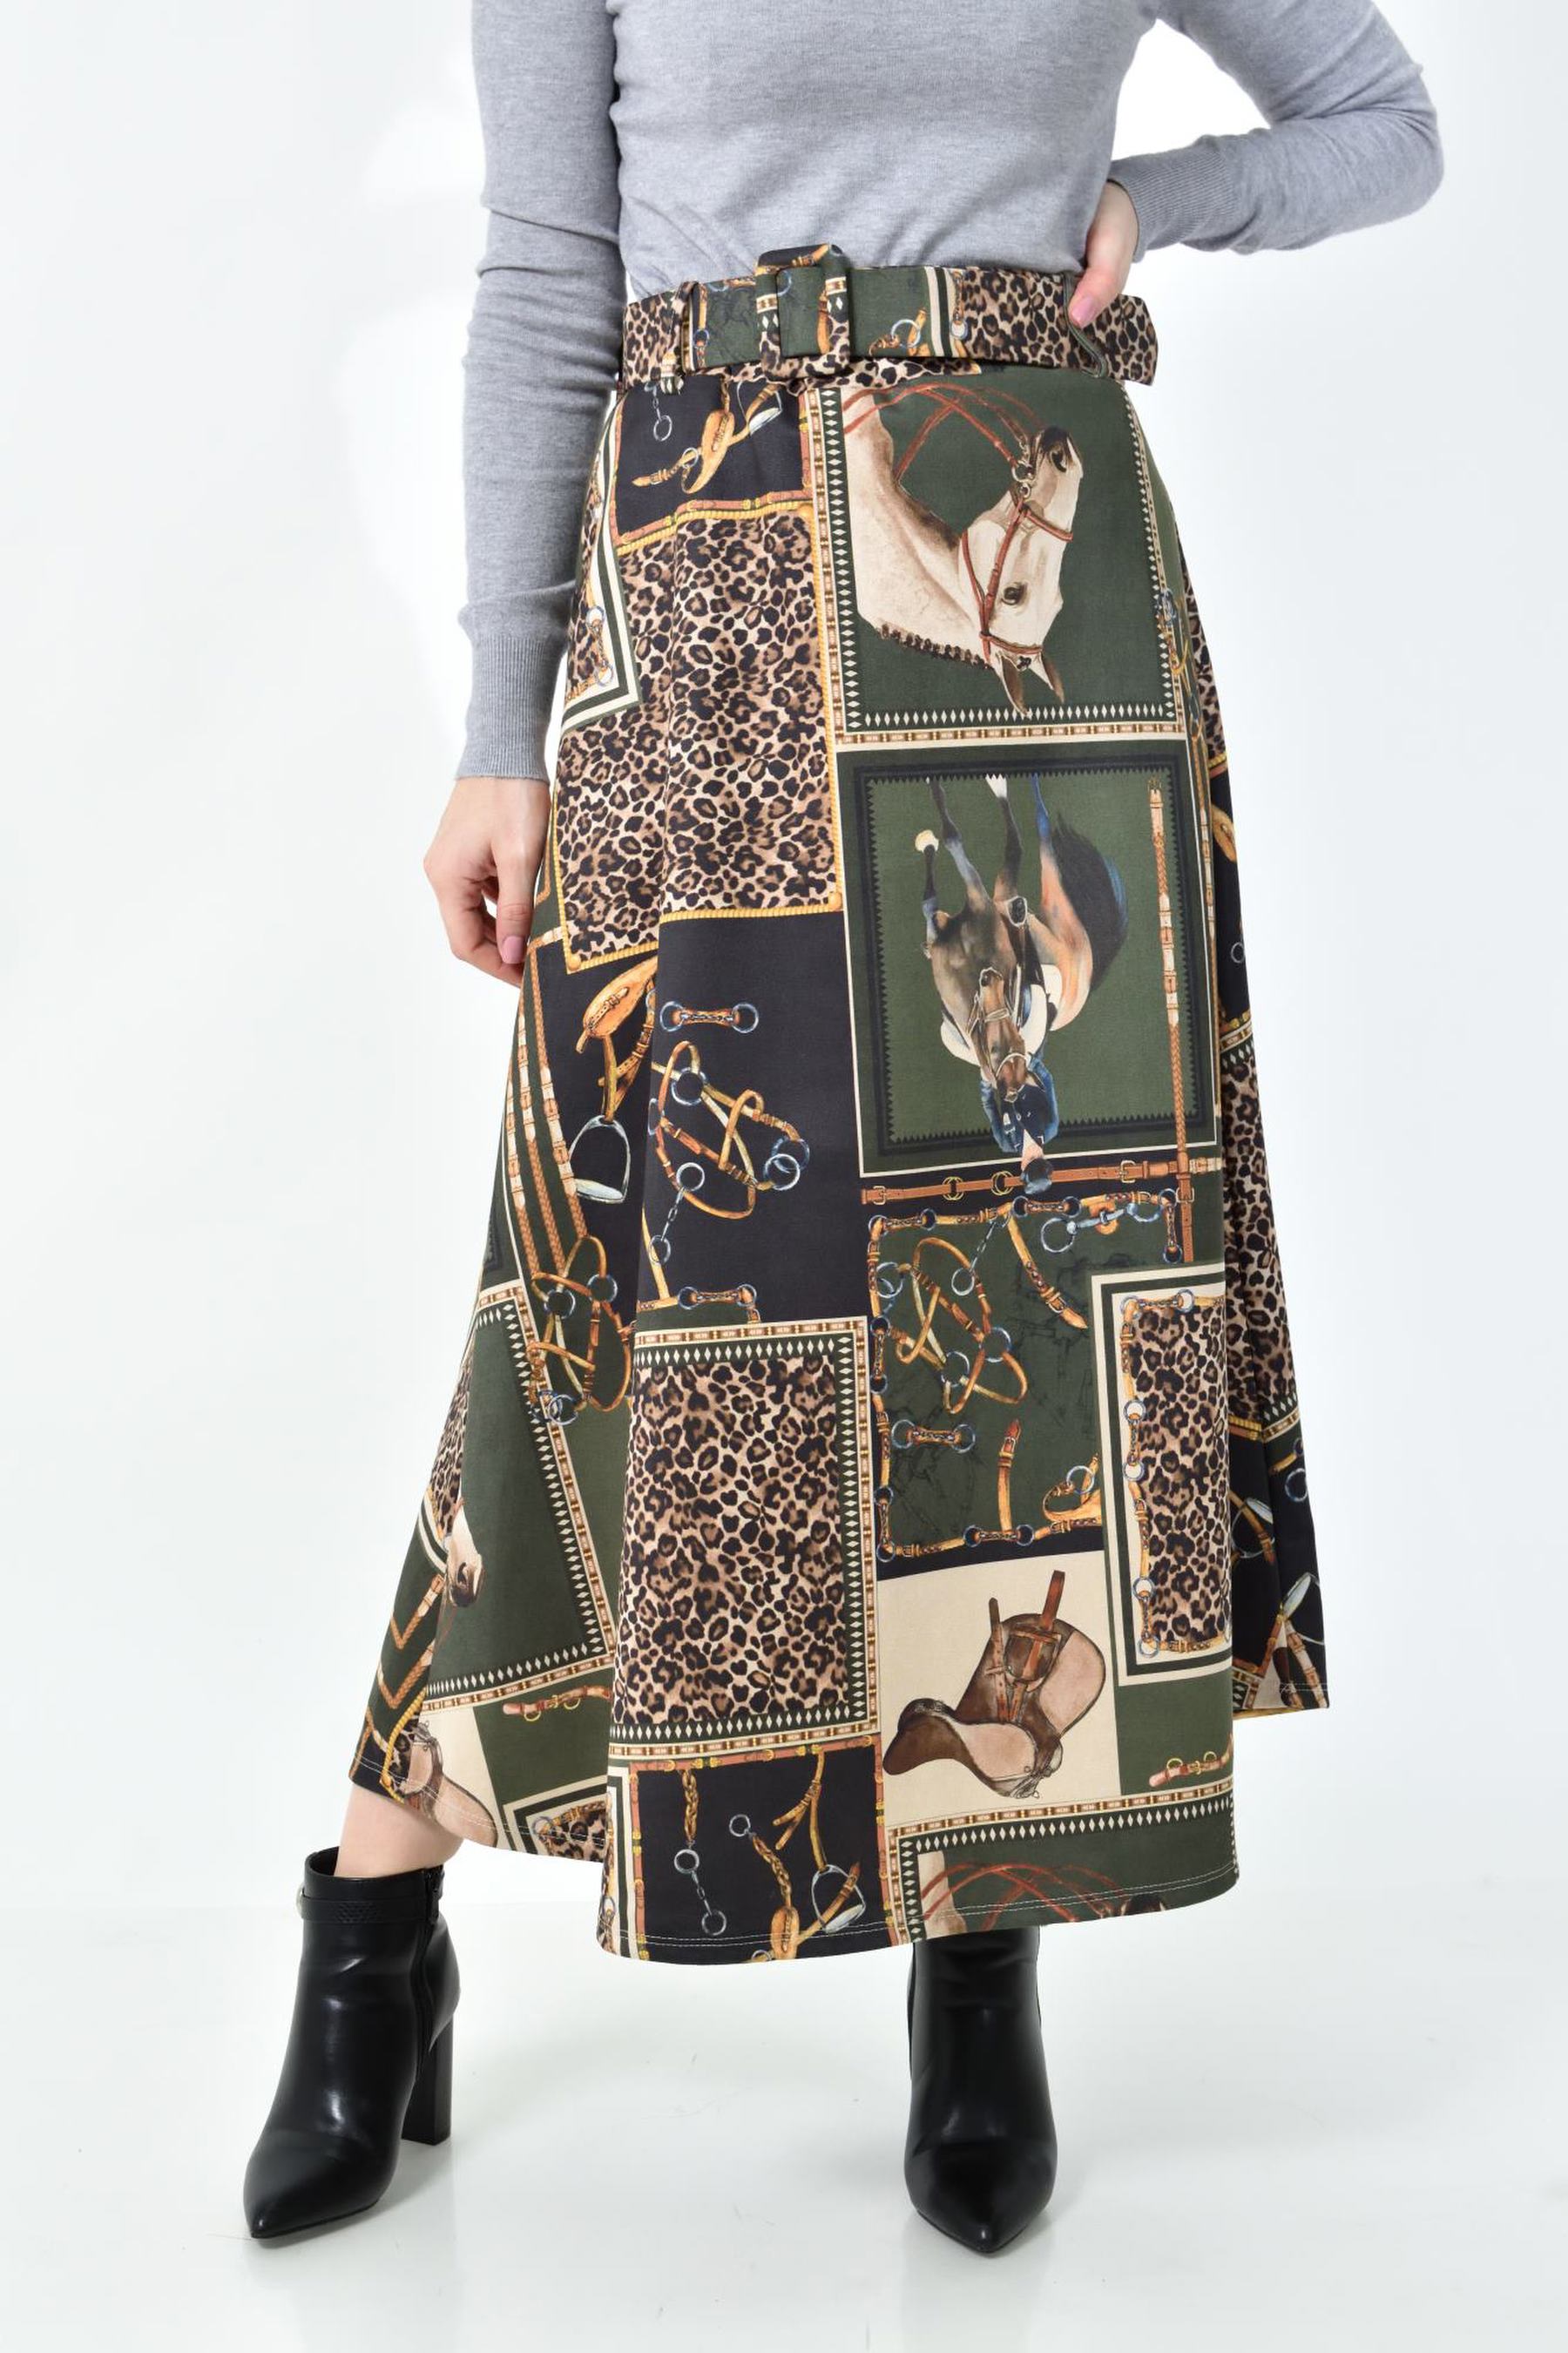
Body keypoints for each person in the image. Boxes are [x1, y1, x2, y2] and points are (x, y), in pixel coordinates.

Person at [243, 0, 1442, 2258]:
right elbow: (546, 275)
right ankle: (379, 1922)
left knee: (1028, 1288)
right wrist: (498, 726)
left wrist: (1160, 201)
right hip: (705, 607)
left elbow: (1386, 125)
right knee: (619, 1284)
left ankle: (983, 1962)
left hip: (1033, 624)